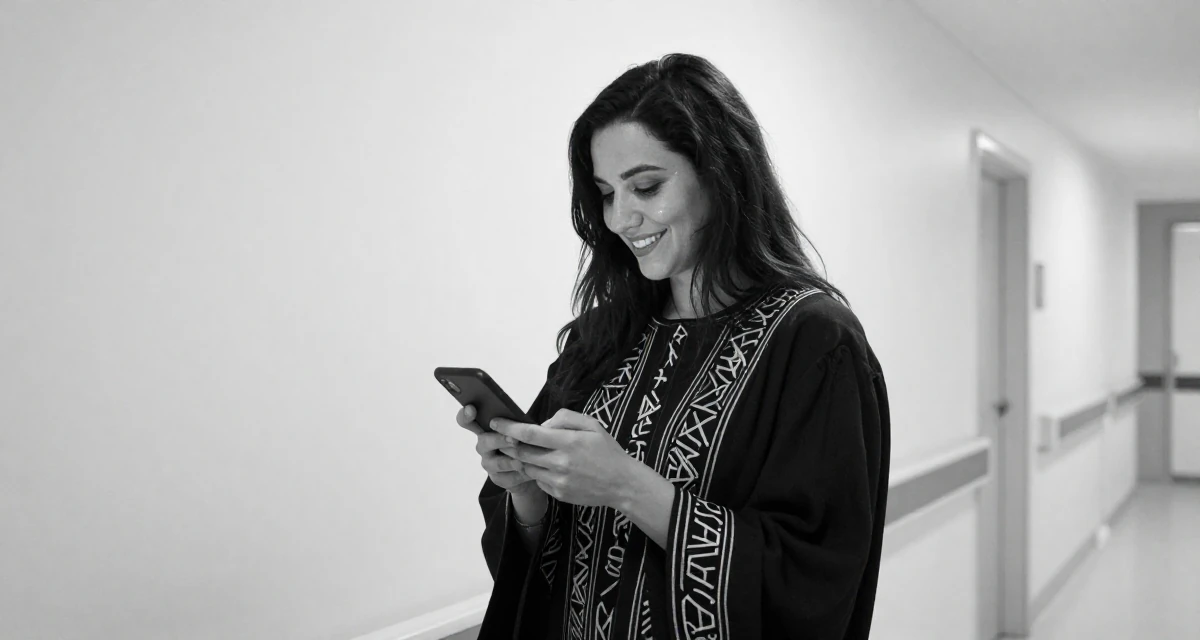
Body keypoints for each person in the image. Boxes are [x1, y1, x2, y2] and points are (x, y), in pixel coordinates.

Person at [454, 53, 890, 639]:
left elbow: (815, 576)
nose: (621, 219)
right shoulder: (601, 336)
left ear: (722, 172)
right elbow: (533, 569)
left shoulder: (813, 341)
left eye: (647, 187)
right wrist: (529, 495)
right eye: (606, 193)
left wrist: (628, 486)